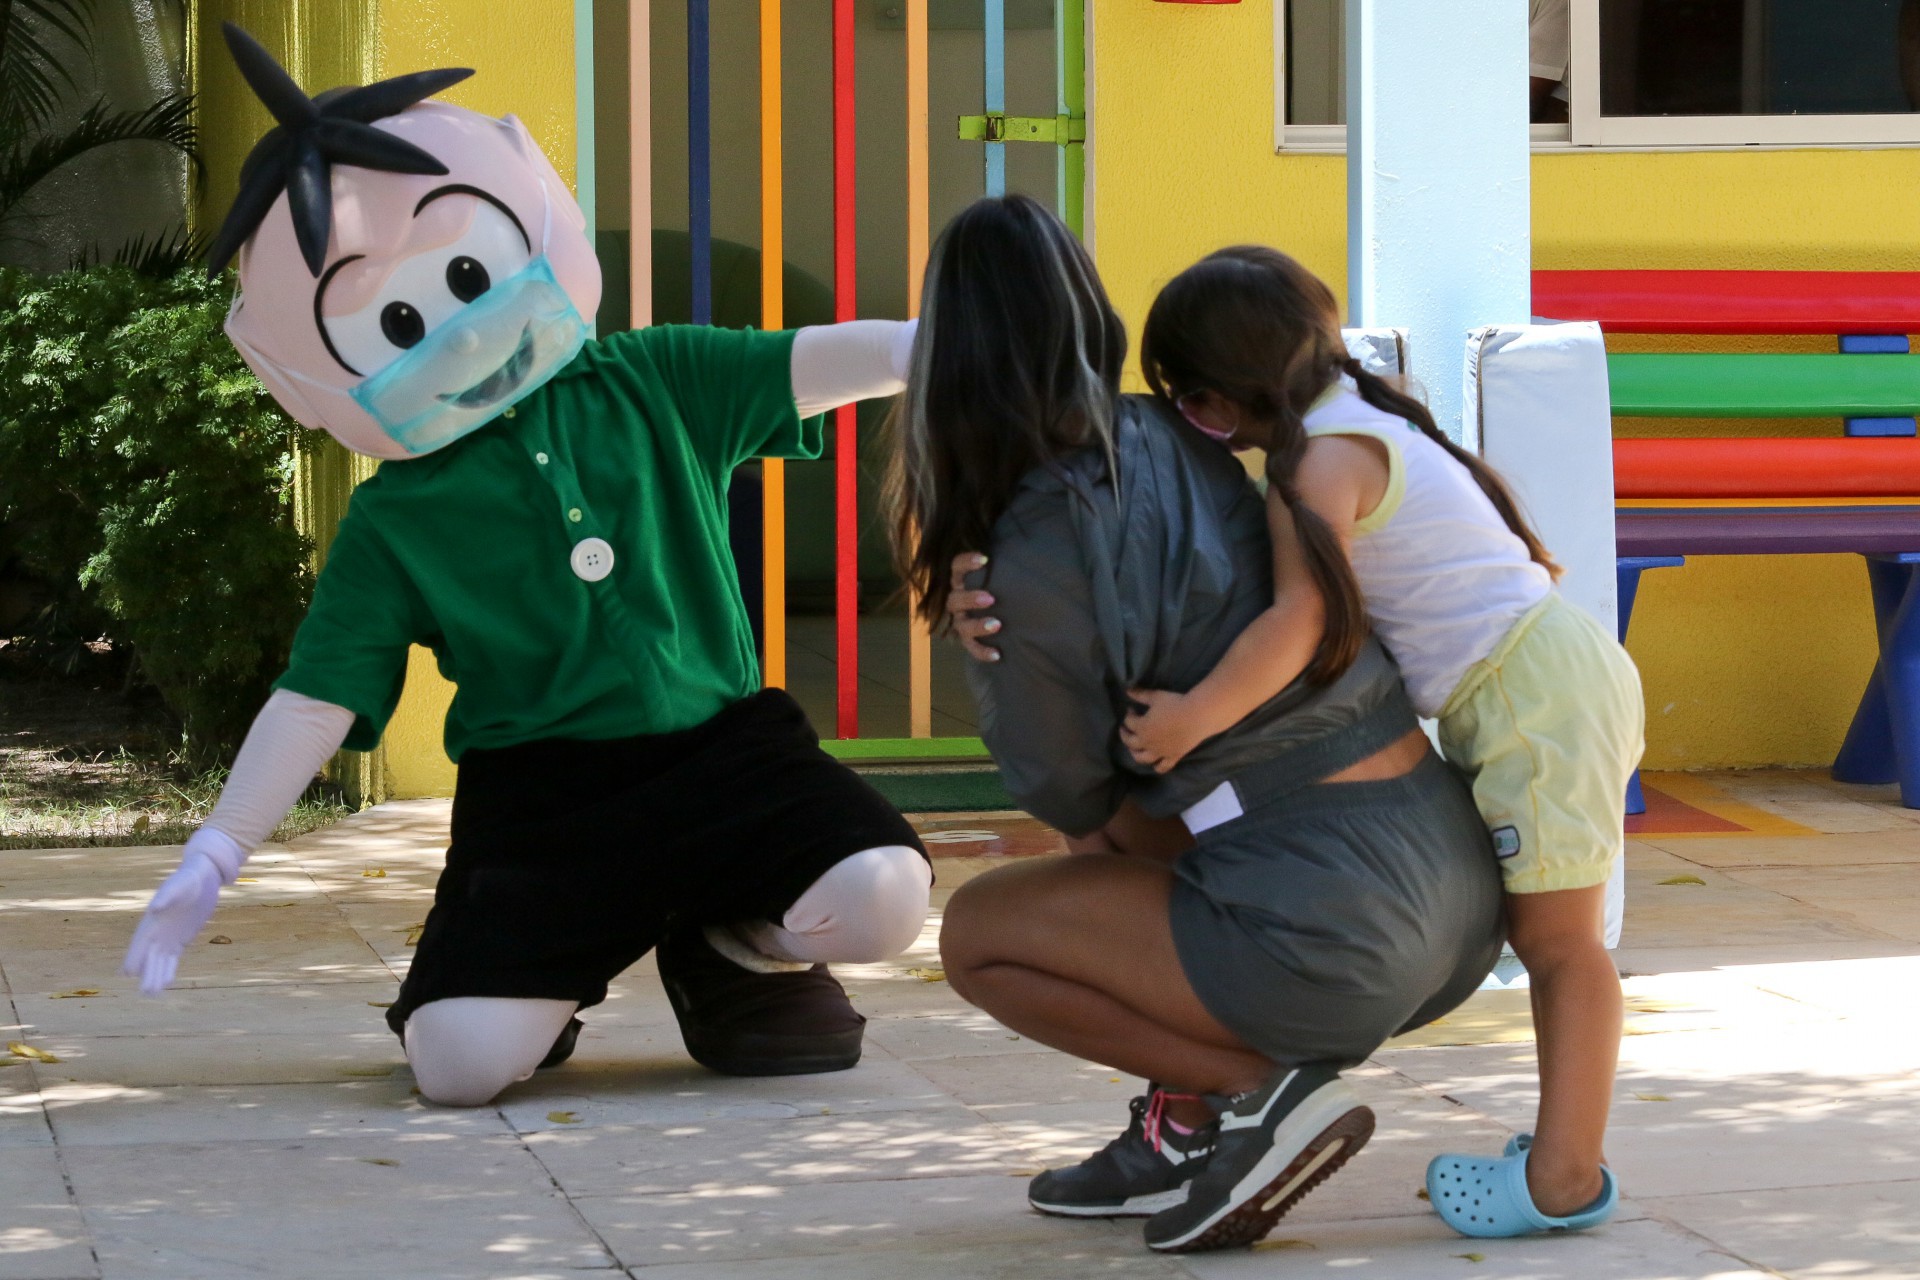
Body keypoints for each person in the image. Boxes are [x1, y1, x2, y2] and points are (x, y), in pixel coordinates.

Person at [120, 24, 932, 1106]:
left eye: (466, 272)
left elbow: (818, 361)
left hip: (726, 755)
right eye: (400, 319)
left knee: (885, 892)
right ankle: (541, 974)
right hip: (543, 805)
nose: (455, 332)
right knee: (455, 1068)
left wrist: (938, 340)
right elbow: (318, 695)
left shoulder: (652, 378)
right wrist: (218, 847)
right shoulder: (395, 520)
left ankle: (730, 938)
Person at [893, 195, 1505, 1254]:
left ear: (950, 360)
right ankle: (1180, 1128)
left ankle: (1252, 1091)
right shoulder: (1177, 432)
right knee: (1141, 813)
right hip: (1450, 898)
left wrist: (984, 636)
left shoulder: (1033, 533)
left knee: (987, 930)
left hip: (1334, 932)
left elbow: (1057, 781)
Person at [1063, 245, 1640, 1239]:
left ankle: (1563, 1174)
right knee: (1554, 938)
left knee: (1560, 944)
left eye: (1195, 412)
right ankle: (1562, 1156)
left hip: (1534, 700)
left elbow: (1298, 619)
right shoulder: (1353, 417)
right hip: (1540, 679)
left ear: (1222, 400)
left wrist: (1193, 713)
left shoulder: (1318, 462)